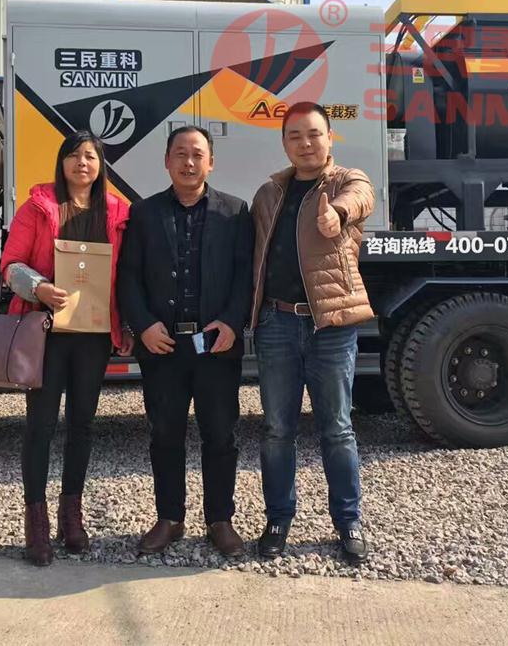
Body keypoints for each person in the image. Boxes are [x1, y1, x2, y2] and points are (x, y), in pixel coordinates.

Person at [117, 125, 253, 558]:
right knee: (165, 434)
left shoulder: (235, 212)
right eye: (180, 154)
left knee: (221, 434)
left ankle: (220, 520)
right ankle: (169, 518)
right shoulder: (144, 213)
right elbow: (128, 277)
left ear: (211, 162)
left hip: (216, 346)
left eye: (197, 154)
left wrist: (232, 322)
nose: (188, 162)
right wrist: (143, 325)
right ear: (166, 161)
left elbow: (245, 275)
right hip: (163, 348)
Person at [249, 102, 375, 564]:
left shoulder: (344, 182)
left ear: (329, 137)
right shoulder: (269, 193)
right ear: (284, 143)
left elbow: (362, 196)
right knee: (276, 430)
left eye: (314, 134)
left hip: (331, 327)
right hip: (277, 324)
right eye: (295, 136)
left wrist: (337, 215)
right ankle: (278, 519)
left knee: (337, 429)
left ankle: (348, 521)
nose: (305, 143)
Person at [0, 130, 133, 566]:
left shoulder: (118, 212)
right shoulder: (39, 206)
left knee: (82, 425)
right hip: (46, 332)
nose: (82, 163)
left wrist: (126, 323)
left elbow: (128, 272)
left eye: (90, 156)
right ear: (62, 163)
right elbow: (10, 265)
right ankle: (36, 521)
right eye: (74, 155)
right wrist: (39, 287)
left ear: (101, 165)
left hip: (93, 336)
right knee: (40, 425)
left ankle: (71, 515)